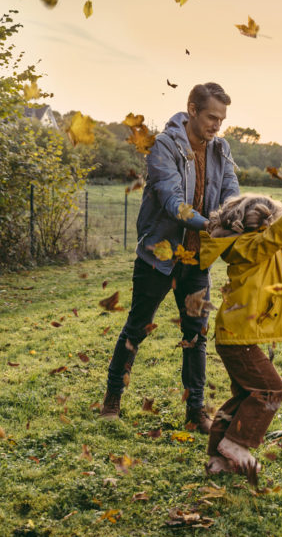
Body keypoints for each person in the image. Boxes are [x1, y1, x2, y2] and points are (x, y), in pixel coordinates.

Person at [98, 82, 240, 433]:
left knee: (196, 335)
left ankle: (195, 412)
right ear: (192, 110)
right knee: (137, 327)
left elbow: (231, 192)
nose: (216, 126)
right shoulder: (164, 147)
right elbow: (173, 201)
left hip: (196, 262)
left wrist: (238, 216)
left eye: (221, 120)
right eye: (211, 117)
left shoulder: (220, 150)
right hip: (158, 258)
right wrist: (212, 224)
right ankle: (112, 398)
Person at [199, 177, 282, 477]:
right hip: (239, 337)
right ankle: (236, 445)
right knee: (271, 390)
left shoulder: (244, 244)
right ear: (265, 224)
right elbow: (273, 238)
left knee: (244, 394)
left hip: (234, 334)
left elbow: (272, 239)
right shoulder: (252, 246)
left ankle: (218, 457)